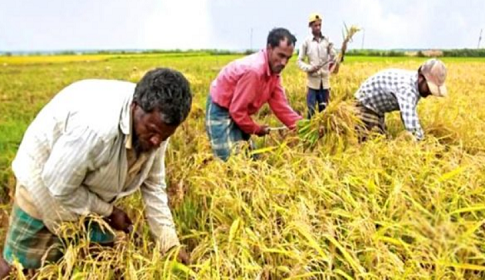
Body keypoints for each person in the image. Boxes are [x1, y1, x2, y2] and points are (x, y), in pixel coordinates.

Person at [0, 68, 192, 278]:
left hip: (89, 193)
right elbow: (59, 187)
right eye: (152, 131)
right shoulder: (96, 130)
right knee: (20, 268)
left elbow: (154, 185)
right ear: (135, 107)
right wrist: (109, 212)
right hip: (45, 183)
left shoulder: (158, 126)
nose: (157, 141)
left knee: (99, 262)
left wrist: (169, 244)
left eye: (164, 136)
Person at [205, 28, 303, 161]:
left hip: (238, 109)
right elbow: (237, 111)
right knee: (230, 162)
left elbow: (281, 107)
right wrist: (256, 129)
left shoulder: (274, 74)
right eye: (280, 55)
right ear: (269, 48)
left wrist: (304, 126)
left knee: (251, 157)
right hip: (221, 108)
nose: (284, 63)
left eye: (288, 58)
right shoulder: (255, 71)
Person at [354, 58, 448, 141]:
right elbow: (412, 125)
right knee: (374, 141)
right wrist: (423, 144)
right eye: (429, 88)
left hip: (377, 110)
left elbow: (406, 115)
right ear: (420, 77)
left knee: (383, 139)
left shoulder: (416, 85)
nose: (430, 92)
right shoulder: (407, 89)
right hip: (364, 105)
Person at [297, 13, 340, 118]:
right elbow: (299, 61)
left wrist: (339, 55)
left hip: (325, 84)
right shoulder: (306, 42)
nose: (318, 27)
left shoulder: (327, 40)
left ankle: (322, 133)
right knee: (311, 111)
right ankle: (310, 131)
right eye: (315, 25)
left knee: (324, 113)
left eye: (319, 25)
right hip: (312, 84)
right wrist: (309, 68)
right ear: (310, 26)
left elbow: (334, 57)